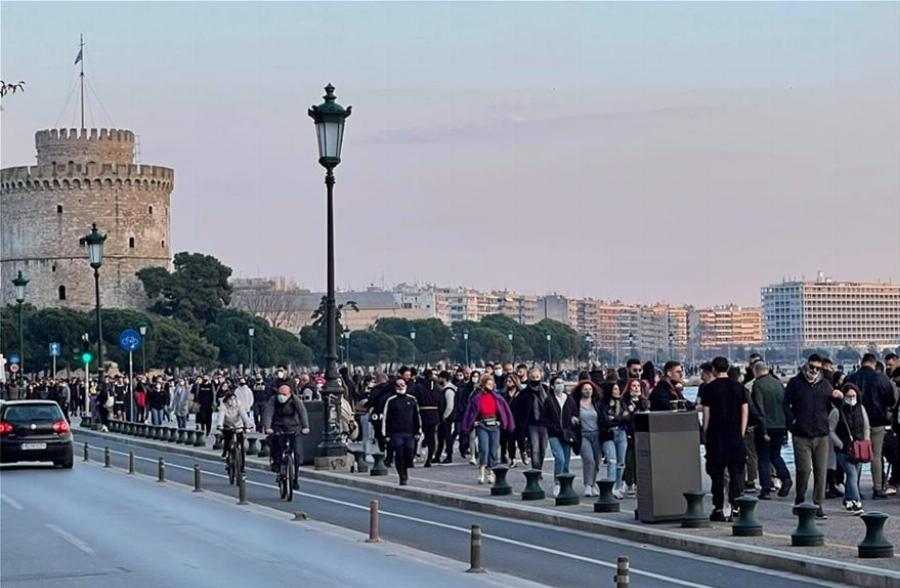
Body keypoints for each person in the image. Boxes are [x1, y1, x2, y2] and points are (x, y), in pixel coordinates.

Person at [784, 354, 843, 519]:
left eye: (818, 368)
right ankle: (800, 498)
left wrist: (839, 397)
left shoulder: (825, 385)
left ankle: (818, 504)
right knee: (804, 469)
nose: (815, 371)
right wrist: (792, 422)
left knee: (821, 471)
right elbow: (785, 404)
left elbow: (835, 406)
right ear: (807, 366)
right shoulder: (795, 383)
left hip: (821, 434)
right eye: (812, 367)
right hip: (801, 433)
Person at [702, 357, 749, 522]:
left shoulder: (709, 389)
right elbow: (745, 411)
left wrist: (706, 433)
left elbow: (706, 416)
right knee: (736, 474)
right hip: (735, 435)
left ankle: (718, 508)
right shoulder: (738, 387)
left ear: (714, 369)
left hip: (716, 436)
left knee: (717, 475)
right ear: (727, 368)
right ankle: (735, 508)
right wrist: (741, 432)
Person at [846, 353, 897, 500]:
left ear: (862, 363)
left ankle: (854, 488)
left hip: (856, 422)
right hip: (877, 422)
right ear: (874, 364)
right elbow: (890, 400)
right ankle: (878, 488)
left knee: (855, 455)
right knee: (876, 456)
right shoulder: (882, 378)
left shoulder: (852, 378)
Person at [461, 374, 515, 485]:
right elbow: (470, 412)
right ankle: (482, 471)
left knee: (494, 450)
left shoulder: (497, 397)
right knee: (483, 448)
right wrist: (472, 423)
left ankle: (491, 472)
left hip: (494, 425)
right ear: (483, 384)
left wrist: (502, 422)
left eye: (492, 383)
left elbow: (504, 411)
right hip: (482, 425)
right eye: (488, 383)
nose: (491, 385)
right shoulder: (476, 397)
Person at [750, 361, 792, 499]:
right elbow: (785, 405)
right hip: (780, 425)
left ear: (756, 371)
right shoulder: (778, 383)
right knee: (775, 455)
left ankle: (766, 489)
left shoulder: (758, 385)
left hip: (766, 426)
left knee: (763, 458)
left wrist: (763, 430)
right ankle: (785, 477)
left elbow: (759, 409)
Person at [829, 383, 870, 515]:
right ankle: (857, 502)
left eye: (853, 396)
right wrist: (840, 444)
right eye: (849, 396)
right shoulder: (837, 412)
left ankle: (848, 499)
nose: (852, 398)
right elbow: (830, 430)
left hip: (859, 448)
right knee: (852, 474)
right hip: (843, 449)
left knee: (855, 475)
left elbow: (866, 426)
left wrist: (866, 441)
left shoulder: (861, 409)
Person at [263, 384, 310, 490]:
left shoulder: (295, 400)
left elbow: (302, 412)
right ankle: (277, 465)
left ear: (289, 394)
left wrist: (305, 427)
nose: (281, 396)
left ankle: (296, 478)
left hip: (294, 427)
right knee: (277, 444)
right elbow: (268, 413)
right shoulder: (274, 400)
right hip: (279, 426)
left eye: (284, 394)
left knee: (297, 453)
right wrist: (268, 427)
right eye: (280, 394)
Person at [382, 378, 422, 486]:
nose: (401, 386)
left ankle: (406, 469)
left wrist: (418, 431)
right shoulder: (391, 401)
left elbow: (416, 416)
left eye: (403, 384)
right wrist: (386, 434)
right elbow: (386, 418)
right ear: (395, 387)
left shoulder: (412, 400)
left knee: (409, 453)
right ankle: (402, 475)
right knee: (399, 454)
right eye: (399, 385)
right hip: (396, 433)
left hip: (410, 432)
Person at [543, 376, 577, 497]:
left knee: (566, 460)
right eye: (557, 383)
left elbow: (574, 413)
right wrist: (552, 428)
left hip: (567, 434)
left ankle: (565, 483)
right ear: (552, 386)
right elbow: (545, 418)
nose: (560, 385)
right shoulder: (549, 400)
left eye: (562, 383)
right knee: (560, 458)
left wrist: (574, 420)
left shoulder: (569, 399)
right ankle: (557, 482)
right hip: (554, 434)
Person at [600, 381, 633, 498]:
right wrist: (620, 418)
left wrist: (616, 418)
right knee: (611, 460)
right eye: (615, 389)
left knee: (621, 462)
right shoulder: (603, 405)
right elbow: (605, 421)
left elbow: (628, 417)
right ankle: (611, 486)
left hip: (622, 433)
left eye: (618, 389)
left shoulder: (622, 403)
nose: (617, 391)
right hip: (608, 434)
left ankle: (618, 486)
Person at [573, 380, 603, 496]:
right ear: (581, 390)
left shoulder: (596, 402)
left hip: (597, 435)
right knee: (589, 460)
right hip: (583, 435)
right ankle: (587, 485)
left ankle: (593, 484)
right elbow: (571, 415)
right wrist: (573, 419)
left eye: (590, 389)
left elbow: (602, 416)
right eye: (585, 389)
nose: (588, 391)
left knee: (597, 461)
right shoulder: (576, 403)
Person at [216, 390, 254, 469]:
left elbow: (243, 415)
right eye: (231, 399)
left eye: (234, 399)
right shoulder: (223, 406)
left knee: (241, 446)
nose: (232, 401)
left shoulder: (239, 405)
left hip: (238, 426)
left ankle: (242, 467)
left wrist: (248, 424)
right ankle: (226, 453)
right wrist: (220, 425)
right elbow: (221, 415)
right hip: (228, 426)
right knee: (228, 439)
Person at [521, 369, 549, 473]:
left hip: (544, 423)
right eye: (533, 377)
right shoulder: (525, 392)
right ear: (529, 378)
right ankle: (536, 471)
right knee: (535, 448)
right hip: (532, 424)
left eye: (537, 377)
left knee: (543, 449)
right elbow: (521, 409)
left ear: (541, 377)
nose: (535, 379)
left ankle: (539, 468)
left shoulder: (545, 389)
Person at [414, 369, 443, 467]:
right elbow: (441, 403)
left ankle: (414, 455)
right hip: (434, 414)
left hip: (422, 414)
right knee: (431, 437)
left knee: (417, 435)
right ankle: (429, 458)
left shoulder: (418, 387)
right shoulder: (438, 388)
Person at [500, 374, 526, 466]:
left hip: (519, 420)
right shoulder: (504, 394)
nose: (508, 383)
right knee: (510, 441)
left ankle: (523, 452)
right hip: (509, 421)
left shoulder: (522, 394)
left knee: (520, 439)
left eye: (510, 381)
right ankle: (513, 459)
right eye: (507, 382)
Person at [435, 371, 457, 464]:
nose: (438, 380)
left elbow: (450, 406)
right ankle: (437, 456)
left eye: (440, 378)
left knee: (447, 438)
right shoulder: (445, 389)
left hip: (448, 419)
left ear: (444, 378)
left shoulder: (449, 390)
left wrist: (444, 416)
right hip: (445, 418)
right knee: (441, 438)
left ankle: (449, 456)